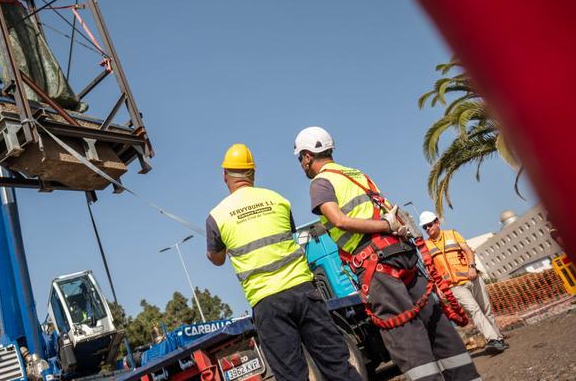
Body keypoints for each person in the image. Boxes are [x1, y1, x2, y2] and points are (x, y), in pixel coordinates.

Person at [293, 127, 481, 381]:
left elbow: (339, 221)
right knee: (433, 321)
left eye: (300, 159)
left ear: (307, 156)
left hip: (376, 262)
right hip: (401, 252)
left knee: (404, 330)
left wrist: (385, 226)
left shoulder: (320, 183)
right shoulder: (356, 174)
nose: (302, 165)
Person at [206, 144, 361, 381]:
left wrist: (224, 249)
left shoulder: (217, 216)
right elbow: (286, 235)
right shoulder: (278, 200)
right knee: (337, 365)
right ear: (253, 173)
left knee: (292, 376)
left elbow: (216, 259)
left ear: (224, 175)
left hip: (268, 303)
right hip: (304, 292)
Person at [420, 211, 508, 353]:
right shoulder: (426, 246)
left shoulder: (453, 234)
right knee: (474, 311)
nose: (427, 229)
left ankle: (498, 339)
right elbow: (431, 270)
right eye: (424, 227)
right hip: (454, 286)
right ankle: (492, 339)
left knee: (486, 310)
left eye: (429, 225)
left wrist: (472, 267)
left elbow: (467, 250)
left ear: (437, 222)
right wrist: (438, 287)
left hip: (473, 277)